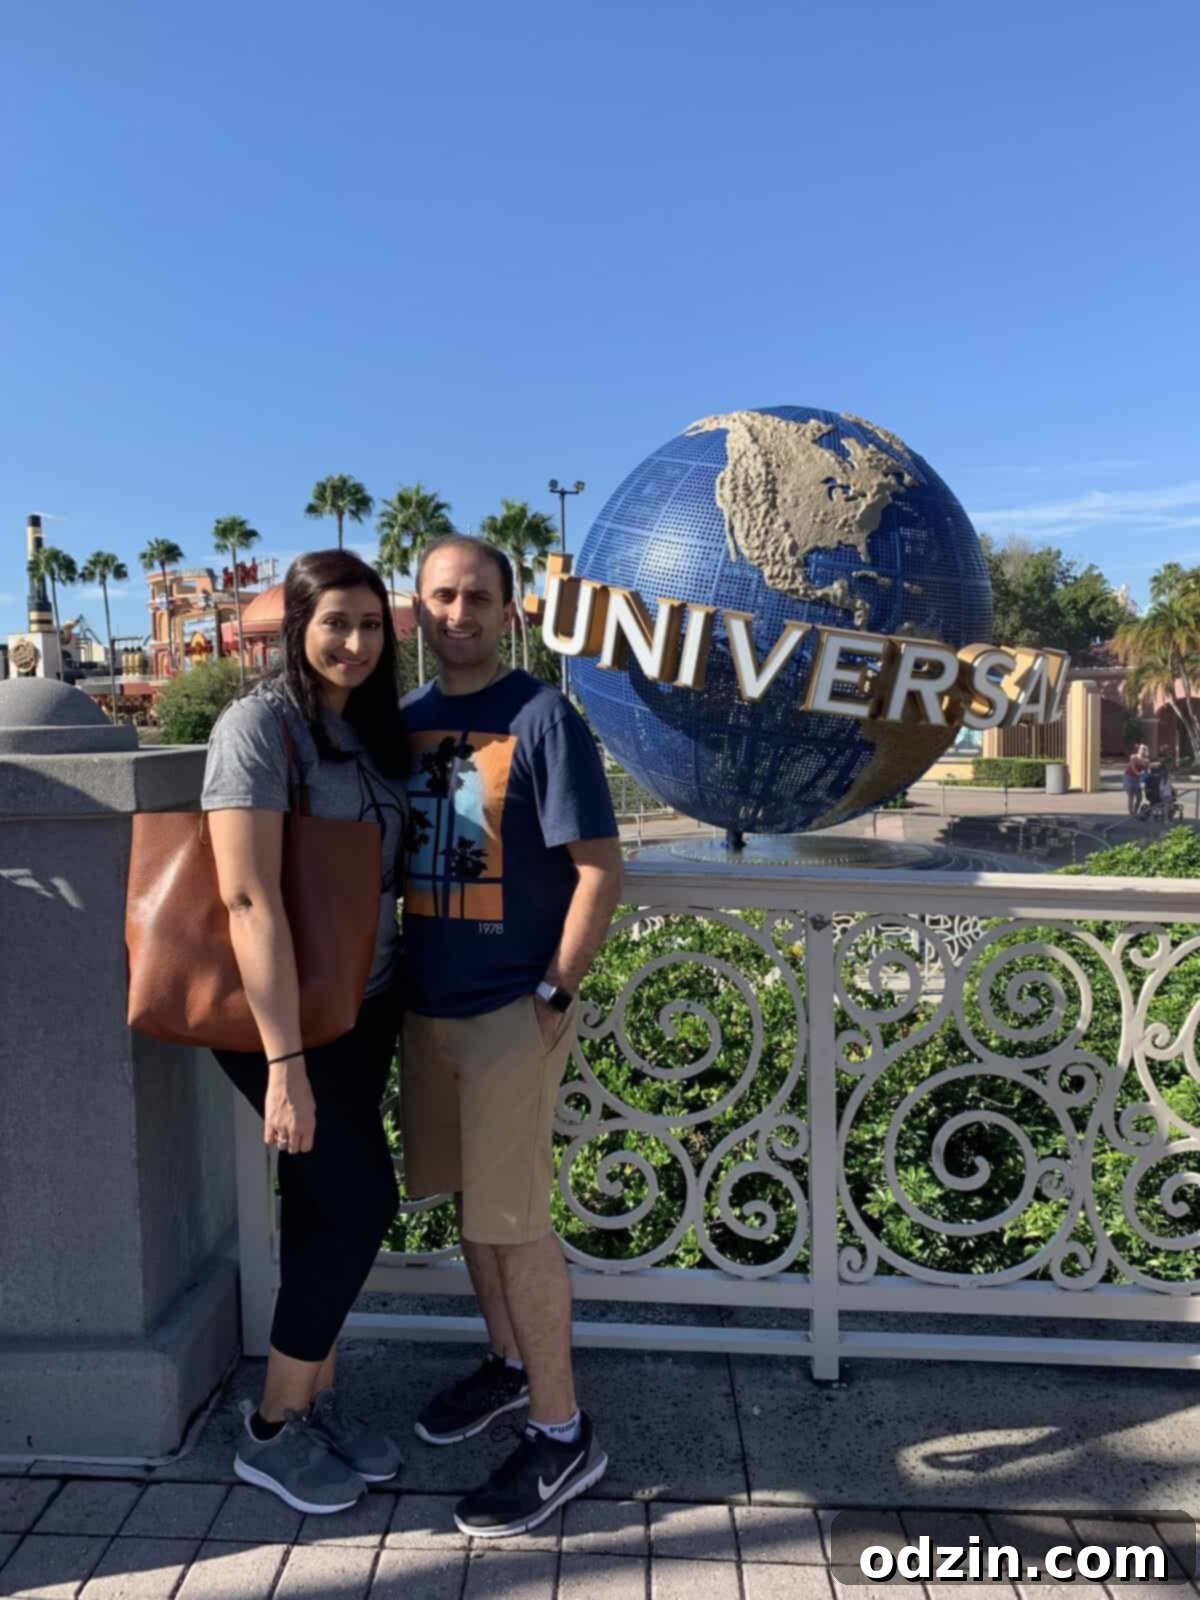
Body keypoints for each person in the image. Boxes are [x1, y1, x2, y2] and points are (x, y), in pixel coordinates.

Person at [399, 535, 624, 1539]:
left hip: (507, 1011)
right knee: (471, 1210)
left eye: (478, 596)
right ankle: (504, 1365)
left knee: (515, 1221)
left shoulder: (544, 718)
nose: (460, 612)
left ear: (508, 610)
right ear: (418, 609)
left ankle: (563, 1430)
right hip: (426, 1005)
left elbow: (601, 869)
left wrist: (553, 991)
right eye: (442, 596)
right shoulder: (404, 723)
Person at [202, 550, 409, 1514]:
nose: (356, 642)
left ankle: (314, 1398)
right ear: (296, 625)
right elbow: (247, 898)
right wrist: (284, 1062)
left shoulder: (362, 728)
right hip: (278, 1021)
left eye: (371, 625)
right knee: (365, 1199)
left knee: (325, 1207)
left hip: (361, 1006)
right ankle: (273, 1427)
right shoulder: (259, 726)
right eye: (336, 623)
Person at [1123, 746, 1148, 816]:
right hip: (1129, 777)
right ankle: (1131, 813)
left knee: (1139, 797)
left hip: (1137, 779)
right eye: (1141, 749)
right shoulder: (1133, 757)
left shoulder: (1146, 760)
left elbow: (1147, 771)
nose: (1143, 750)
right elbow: (1132, 767)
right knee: (1131, 796)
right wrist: (1139, 774)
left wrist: (1147, 776)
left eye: (1144, 749)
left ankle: (1135, 811)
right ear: (1139, 750)